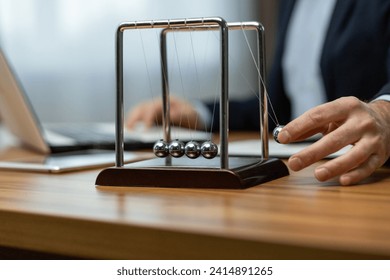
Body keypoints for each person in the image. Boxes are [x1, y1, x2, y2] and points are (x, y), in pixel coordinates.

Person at [127, 0, 390, 185]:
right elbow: (279, 111)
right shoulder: (290, 4)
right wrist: (198, 114)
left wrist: (384, 112)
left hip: (369, 180)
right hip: (299, 183)